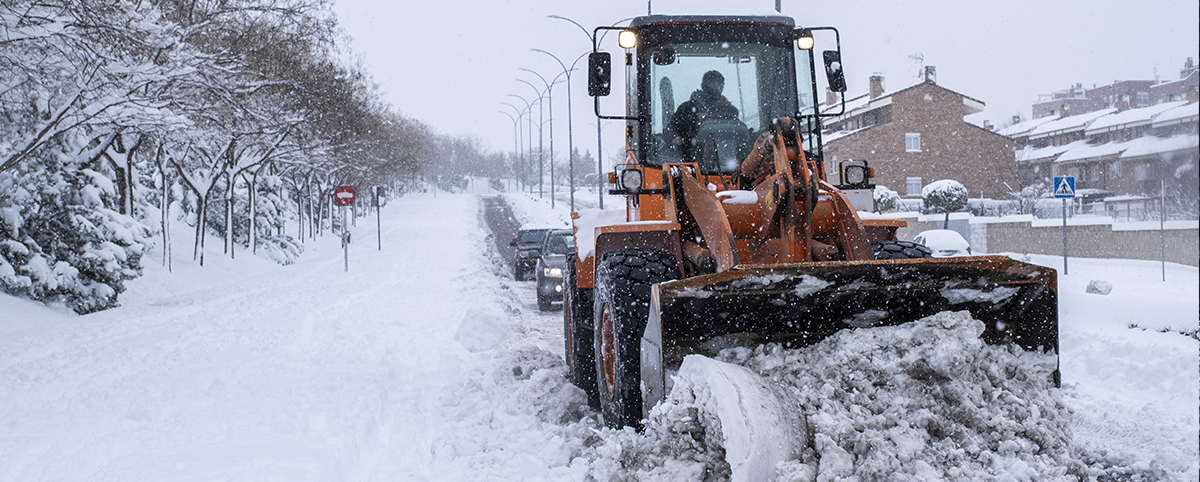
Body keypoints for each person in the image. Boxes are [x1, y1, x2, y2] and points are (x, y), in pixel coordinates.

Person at [669, 70, 739, 162]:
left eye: (718, 85)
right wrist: (675, 137)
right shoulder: (686, 109)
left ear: (722, 87)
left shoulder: (730, 111)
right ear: (702, 86)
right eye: (710, 85)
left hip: (725, 162)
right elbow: (670, 129)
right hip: (690, 161)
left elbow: (737, 136)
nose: (714, 88)